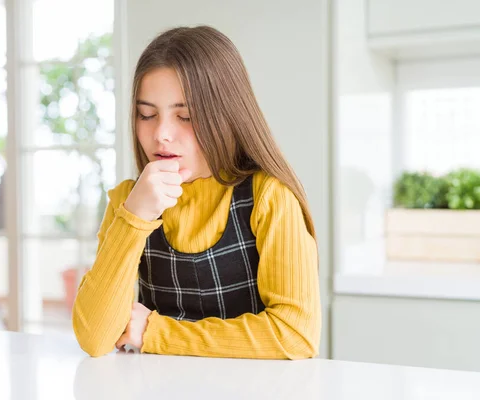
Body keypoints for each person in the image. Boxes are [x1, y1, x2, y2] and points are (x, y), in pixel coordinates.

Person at [72, 25, 321, 359]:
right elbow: (94, 337)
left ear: (227, 115)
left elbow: (295, 335)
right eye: (147, 114)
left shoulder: (269, 197)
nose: (161, 134)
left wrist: (153, 332)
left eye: (185, 116)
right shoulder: (129, 201)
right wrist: (134, 218)